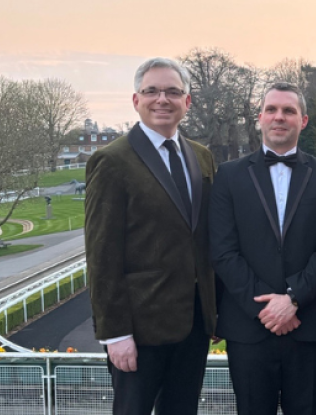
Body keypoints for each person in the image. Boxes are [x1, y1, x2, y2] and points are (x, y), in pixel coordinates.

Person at [85, 57, 217, 415]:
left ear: (187, 102)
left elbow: (205, 240)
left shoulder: (201, 158)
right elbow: (101, 256)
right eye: (152, 91)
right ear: (136, 100)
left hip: (192, 326)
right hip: (138, 331)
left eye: (173, 92)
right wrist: (115, 334)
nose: (162, 99)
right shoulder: (112, 161)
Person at [209, 82, 316, 415]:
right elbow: (223, 251)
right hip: (249, 326)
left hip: (307, 325)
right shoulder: (228, 176)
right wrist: (266, 309)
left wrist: (293, 299)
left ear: (304, 120)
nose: (279, 117)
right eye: (271, 110)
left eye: (288, 111)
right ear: (259, 118)